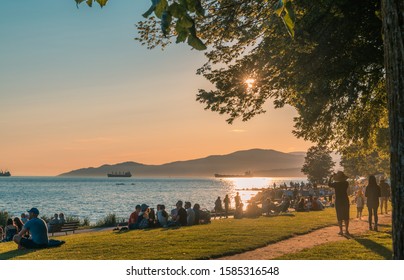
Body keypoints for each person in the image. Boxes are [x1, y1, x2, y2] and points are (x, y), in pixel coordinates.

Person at [328, 171, 350, 235]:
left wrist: (331, 177)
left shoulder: (336, 184)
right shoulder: (346, 183)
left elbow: (329, 184)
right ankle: (346, 230)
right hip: (345, 199)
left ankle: (341, 231)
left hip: (338, 200)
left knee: (339, 216)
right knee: (346, 215)